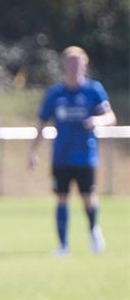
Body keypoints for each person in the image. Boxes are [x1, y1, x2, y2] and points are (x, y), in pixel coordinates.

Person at [28, 45, 116, 256]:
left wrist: (97, 120)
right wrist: (33, 151)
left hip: (85, 154)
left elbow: (111, 117)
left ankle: (94, 230)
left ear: (85, 64)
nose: (75, 67)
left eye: (78, 63)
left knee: (88, 196)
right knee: (62, 198)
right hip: (61, 155)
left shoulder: (94, 90)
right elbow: (41, 122)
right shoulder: (55, 93)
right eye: (71, 63)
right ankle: (63, 246)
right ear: (64, 66)